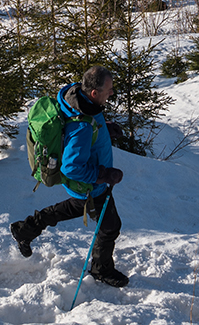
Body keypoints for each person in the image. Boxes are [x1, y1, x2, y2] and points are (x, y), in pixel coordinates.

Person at [10, 65, 129, 287]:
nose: (111, 93)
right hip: (90, 185)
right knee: (110, 226)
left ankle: (25, 229)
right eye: (109, 89)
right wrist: (104, 174)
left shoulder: (77, 97)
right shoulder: (82, 126)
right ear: (94, 93)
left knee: (73, 208)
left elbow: (86, 127)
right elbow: (71, 168)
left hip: (86, 187)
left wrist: (105, 128)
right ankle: (101, 270)